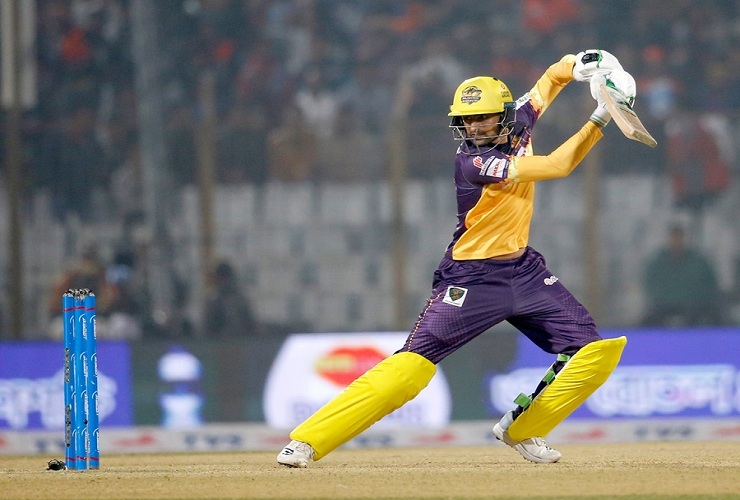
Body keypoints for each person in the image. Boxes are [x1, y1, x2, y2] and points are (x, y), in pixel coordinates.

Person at [277, 50, 633, 468]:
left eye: (483, 118)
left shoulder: (521, 117)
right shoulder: (473, 162)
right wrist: (602, 115)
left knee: (593, 350)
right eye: (466, 120)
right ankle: (307, 441)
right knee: (411, 367)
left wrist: (583, 64)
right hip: (470, 279)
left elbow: (552, 78)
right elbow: (557, 165)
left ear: (504, 115)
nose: (475, 127)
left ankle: (521, 429)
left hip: (524, 271)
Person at [641, 224, 724, 327]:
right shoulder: (658, 262)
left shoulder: (698, 261)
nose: (676, 241)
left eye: (679, 237)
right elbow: (649, 284)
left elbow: (710, 284)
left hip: (695, 309)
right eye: (673, 237)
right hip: (662, 309)